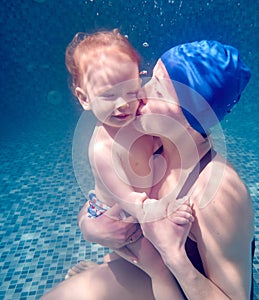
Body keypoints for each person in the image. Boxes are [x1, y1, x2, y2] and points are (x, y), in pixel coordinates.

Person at [42, 39, 254, 300]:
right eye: (151, 78)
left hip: (185, 285)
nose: (141, 92)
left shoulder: (218, 192)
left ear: (192, 115)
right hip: (152, 262)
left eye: (160, 91)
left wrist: (174, 256)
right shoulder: (152, 139)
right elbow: (105, 193)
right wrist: (90, 226)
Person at [52, 29, 193, 300]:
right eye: (108, 96)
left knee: (130, 260)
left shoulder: (139, 121)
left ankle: (109, 267)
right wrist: (167, 209)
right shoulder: (102, 147)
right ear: (84, 98)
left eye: (130, 91)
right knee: (159, 267)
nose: (123, 104)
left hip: (133, 208)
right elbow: (129, 199)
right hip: (117, 214)